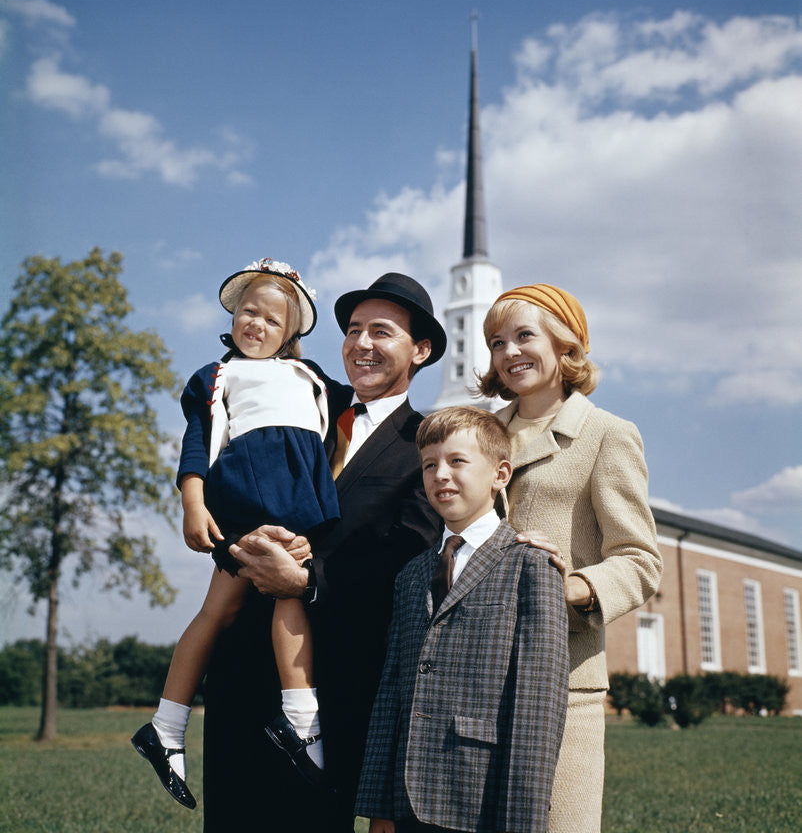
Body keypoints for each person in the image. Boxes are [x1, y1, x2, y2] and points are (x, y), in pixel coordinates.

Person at [201, 273, 447, 833]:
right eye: (353, 330)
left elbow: (404, 562)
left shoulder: (428, 446)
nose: (360, 344)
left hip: (332, 685)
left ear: (421, 349)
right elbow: (227, 452)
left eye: (380, 332)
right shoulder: (297, 396)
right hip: (241, 665)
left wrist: (307, 584)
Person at [132, 258, 340, 808]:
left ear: (291, 332)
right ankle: (300, 721)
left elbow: (352, 418)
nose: (258, 325)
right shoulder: (216, 375)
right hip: (250, 497)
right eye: (250, 311)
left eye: (273, 320)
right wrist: (192, 503)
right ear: (232, 315)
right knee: (283, 595)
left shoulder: (312, 377)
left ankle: (166, 724)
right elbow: (197, 445)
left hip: (302, 505)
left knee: (221, 608)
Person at [476, 284, 663, 833]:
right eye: (496, 342)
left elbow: (638, 559)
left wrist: (568, 587)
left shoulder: (607, 435)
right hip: (475, 673)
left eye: (524, 336)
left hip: (564, 675)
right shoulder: (478, 435)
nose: (509, 352)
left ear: (566, 346)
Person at [356, 406, 569, 833]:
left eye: (457, 461)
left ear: (500, 474)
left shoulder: (530, 566)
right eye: (429, 465)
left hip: (480, 794)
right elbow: (391, 691)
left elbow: (536, 709)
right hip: (405, 800)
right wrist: (380, 805)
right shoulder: (412, 573)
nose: (440, 475)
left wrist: (521, 821)